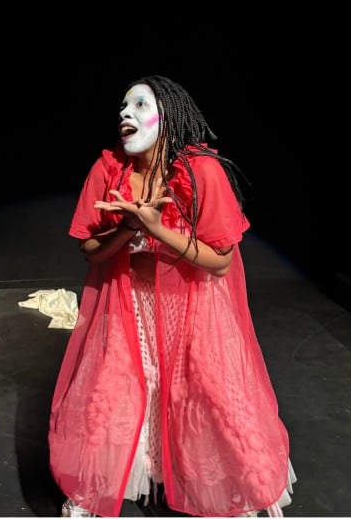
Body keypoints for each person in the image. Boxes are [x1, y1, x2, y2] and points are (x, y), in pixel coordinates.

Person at [48, 76, 295, 517]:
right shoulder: (109, 171)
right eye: (123, 105)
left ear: (170, 116)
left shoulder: (200, 171)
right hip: (129, 305)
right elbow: (90, 251)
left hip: (193, 306)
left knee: (205, 393)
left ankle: (226, 487)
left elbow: (219, 261)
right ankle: (106, 481)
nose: (126, 113)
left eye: (140, 104)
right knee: (114, 389)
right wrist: (128, 227)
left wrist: (156, 228)